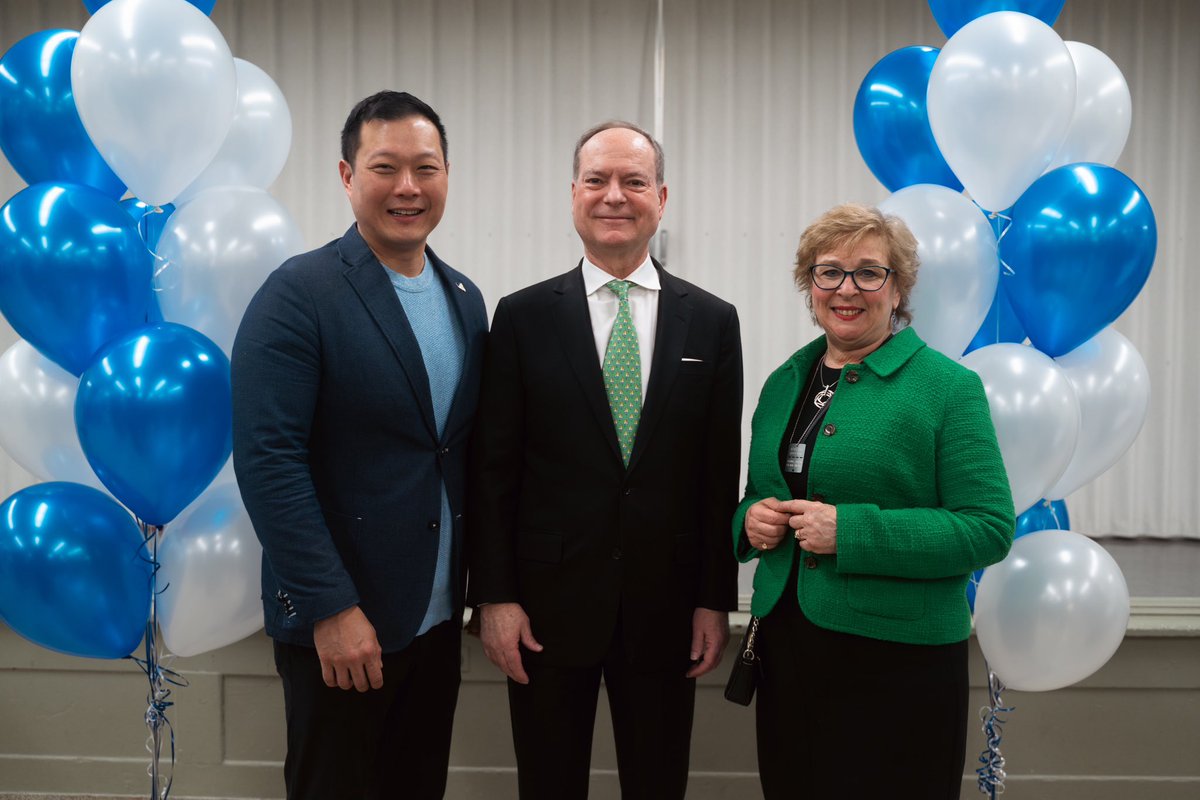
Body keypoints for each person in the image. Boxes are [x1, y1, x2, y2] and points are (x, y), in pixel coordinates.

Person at [468, 121, 743, 799]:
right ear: (573, 196)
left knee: (658, 784)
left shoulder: (711, 320)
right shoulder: (523, 317)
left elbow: (716, 475)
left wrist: (714, 599)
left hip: (667, 611)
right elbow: (493, 470)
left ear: (662, 196)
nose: (614, 195)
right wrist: (494, 597)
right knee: (548, 784)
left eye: (633, 181)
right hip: (544, 610)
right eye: (597, 180)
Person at [231, 91, 487, 800]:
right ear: (347, 177)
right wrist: (330, 608)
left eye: (425, 168)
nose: (408, 187)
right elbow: (267, 460)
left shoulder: (465, 297)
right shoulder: (298, 294)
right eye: (385, 167)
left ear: (446, 175)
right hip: (343, 628)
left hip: (433, 625)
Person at [735, 203, 1015, 799]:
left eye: (869, 272)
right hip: (789, 649)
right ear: (809, 285)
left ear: (898, 288)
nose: (846, 289)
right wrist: (750, 520)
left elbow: (988, 528)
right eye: (828, 271)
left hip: (897, 666)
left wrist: (851, 532)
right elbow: (761, 492)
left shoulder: (947, 388)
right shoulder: (786, 381)